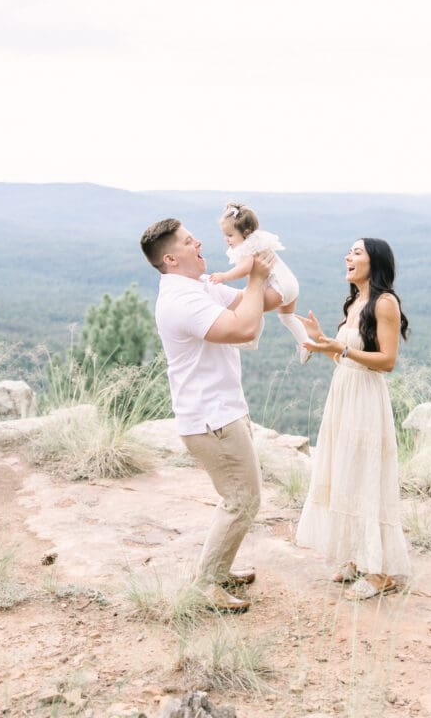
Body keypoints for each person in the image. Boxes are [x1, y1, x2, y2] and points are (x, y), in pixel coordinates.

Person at [140, 217, 274, 614]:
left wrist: (261, 264)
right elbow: (243, 328)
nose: (198, 241)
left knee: (240, 497)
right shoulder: (181, 301)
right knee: (242, 499)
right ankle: (205, 585)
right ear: (170, 258)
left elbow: (266, 301)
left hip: (224, 411)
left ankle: (218, 571)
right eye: (186, 240)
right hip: (211, 420)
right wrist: (255, 279)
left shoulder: (198, 287)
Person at [295, 237, 411, 600]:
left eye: (356, 252)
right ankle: (357, 556)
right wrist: (323, 342)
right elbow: (346, 357)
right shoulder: (355, 301)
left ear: (374, 262)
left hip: (365, 398)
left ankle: (380, 572)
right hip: (343, 393)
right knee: (344, 470)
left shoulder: (384, 302)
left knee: (365, 475)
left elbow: (387, 361)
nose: (348, 256)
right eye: (349, 251)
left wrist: (340, 347)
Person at [209, 202, 311, 363]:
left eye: (229, 235)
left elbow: (245, 268)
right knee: (287, 317)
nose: (226, 239)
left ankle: (251, 339)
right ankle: (306, 343)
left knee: (253, 305)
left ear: (246, 232)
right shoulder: (258, 241)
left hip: (278, 289)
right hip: (290, 285)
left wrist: (224, 276)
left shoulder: (247, 247)